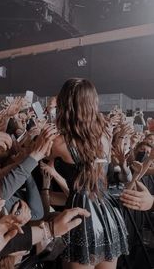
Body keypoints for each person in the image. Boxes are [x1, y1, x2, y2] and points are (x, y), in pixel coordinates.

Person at [48, 78, 129, 269]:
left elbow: (28, 156)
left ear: (66, 105)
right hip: (108, 214)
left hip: (81, 216)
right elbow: (108, 177)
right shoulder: (104, 137)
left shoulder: (59, 143)